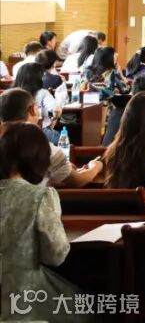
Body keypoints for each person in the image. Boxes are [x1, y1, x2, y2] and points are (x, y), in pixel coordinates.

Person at [0, 123, 90, 323]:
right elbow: (55, 256)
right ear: (40, 160)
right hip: (24, 299)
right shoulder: (40, 197)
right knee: (90, 309)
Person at [0, 88, 102, 188]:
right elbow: (77, 181)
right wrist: (95, 167)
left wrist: (61, 166)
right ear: (32, 109)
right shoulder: (41, 146)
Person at [15, 62, 59, 141]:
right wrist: (50, 115)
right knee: (61, 138)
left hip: (14, 133)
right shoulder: (43, 93)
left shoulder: (11, 93)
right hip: (39, 132)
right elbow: (52, 113)